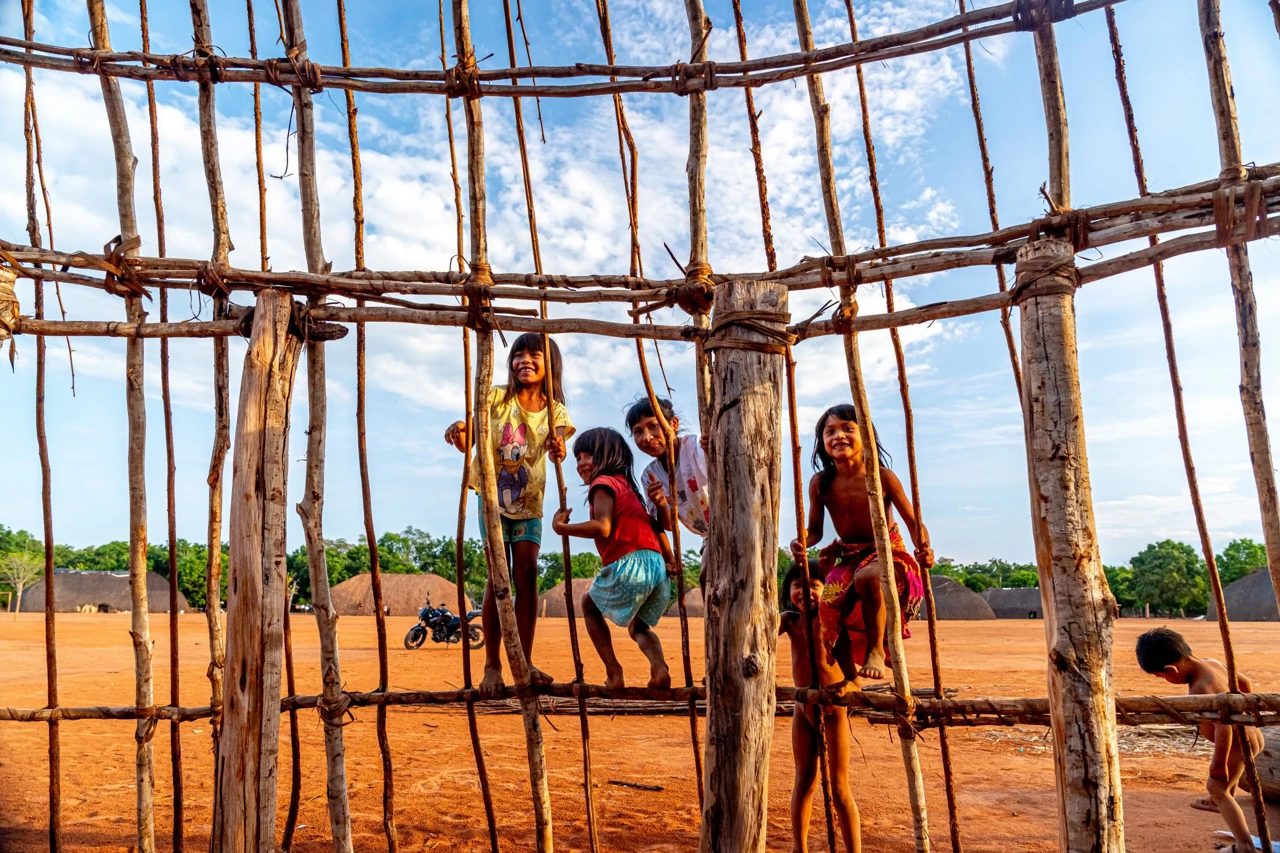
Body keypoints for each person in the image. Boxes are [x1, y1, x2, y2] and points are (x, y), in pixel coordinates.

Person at [444, 333, 573, 697]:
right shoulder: (495, 397)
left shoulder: (555, 410)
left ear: (550, 366)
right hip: (492, 500)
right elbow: (469, 439)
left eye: (534, 355)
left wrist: (558, 447)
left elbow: (559, 442)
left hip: (529, 503)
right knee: (497, 577)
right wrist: (458, 431)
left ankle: (524, 661)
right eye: (519, 354)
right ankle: (492, 665)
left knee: (527, 575)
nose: (525, 360)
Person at [790, 404, 932, 682]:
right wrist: (801, 540)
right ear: (822, 442)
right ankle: (850, 678)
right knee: (827, 607)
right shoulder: (821, 483)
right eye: (830, 432)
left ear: (865, 436)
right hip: (850, 558)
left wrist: (924, 548)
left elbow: (914, 523)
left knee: (868, 578)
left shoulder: (882, 477)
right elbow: (815, 530)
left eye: (847, 428)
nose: (838, 436)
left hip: (888, 554)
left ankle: (875, 650)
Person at [553, 427, 675, 690]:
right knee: (639, 628)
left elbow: (602, 527)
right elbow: (655, 526)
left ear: (610, 456)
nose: (581, 463)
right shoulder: (629, 489)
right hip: (657, 569)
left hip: (631, 564)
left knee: (588, 606)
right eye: (578, 458)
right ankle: (659, 669)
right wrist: (670, 558)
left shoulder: (603, 484)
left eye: (589, 456)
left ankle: (614, 673)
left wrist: (562, 528)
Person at [1136, 627, 1265, 853]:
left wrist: (1218, 764)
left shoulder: (1201, 687)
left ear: (1171, 669)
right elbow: (1244, 682)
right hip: (1252, 736)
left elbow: (1223, 727)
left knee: (1216, 787)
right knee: (1223, 787)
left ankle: (1244, 845)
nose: (1164, 679)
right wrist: (1245, 711)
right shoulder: (1212, 663)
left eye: (1162, 676)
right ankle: (1219, 801)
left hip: (1236, 744)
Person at [779, 563, 861, 853]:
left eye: (814, 584)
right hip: (803, 709)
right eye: (797, 585)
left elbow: (855, 682)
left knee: (839, 787)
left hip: (834, 711)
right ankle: (799, 848)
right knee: (804, 781)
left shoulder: (831, 623)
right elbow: (761, 632)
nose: (805, 590)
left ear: (826, 590)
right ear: (788, 591)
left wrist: (846, 688)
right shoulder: (789, 621)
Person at [625, 396, 710, 540]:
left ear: (674, 424)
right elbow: (669, 525)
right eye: (638, 431)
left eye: (653, 426)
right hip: (708, 537)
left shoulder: (695, 447)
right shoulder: (650, 476)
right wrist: (661, 504)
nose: (646, 437)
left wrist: (713, 452)